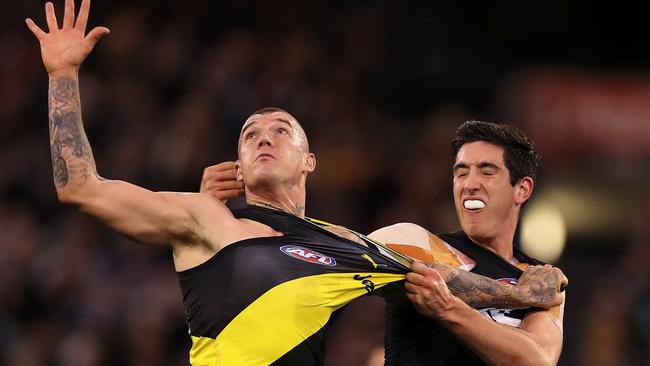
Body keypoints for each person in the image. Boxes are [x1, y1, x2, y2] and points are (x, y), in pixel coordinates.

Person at [26, 1, 564, 365]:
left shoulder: (348, 245)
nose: (264, 138)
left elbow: (444, 282)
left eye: (281, 130)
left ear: (309, 161)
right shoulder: (207, 218)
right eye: (249, 133)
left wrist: (528, 290)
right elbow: (80, 187)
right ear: (236, 158)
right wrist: (62, 75)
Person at [202, 122, 566, 366]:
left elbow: (534, 360)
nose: (469, 184)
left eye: (487, 172)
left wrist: (451, 310)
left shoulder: (539, 277)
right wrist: (210, 222)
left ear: (522, 189)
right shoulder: (414, 242)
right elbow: (317, 251)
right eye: (460, 172)